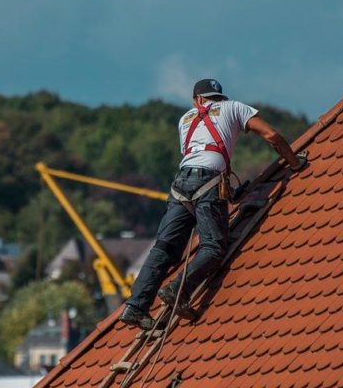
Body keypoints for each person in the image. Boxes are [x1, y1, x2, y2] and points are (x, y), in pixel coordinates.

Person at [119, 78, 306, 330]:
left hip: (180, 185)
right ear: (216, 98)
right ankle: (178, 290)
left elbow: (199, 155)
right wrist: (294, 162)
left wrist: (227, 194)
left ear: (197, 100)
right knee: (214, 247)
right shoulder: (234, 107)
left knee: (164, 248)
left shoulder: (185, 119)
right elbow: (271, 135)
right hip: (208, 182)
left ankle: (135, 306)